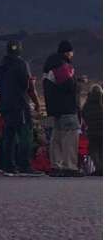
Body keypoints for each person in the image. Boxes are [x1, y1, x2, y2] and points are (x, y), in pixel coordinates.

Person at [0, 40, 42, 176]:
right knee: (25, 135)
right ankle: (24, 165)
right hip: (20, 105)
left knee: (9, 136)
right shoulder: (22, 64)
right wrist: (37, 103)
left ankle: (7, 165)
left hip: (5, 106)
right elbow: (29, 87)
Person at [42, 40, 81, 176]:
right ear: (66, 52)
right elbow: (68, 86)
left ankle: (56, 165)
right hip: (67, 108)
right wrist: (77, 83)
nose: (72, 54)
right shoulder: (62, 66)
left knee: (57, 137)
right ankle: (69, 166)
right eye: (71, 52)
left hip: (55, 108)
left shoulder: (50, 66)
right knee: (70, 137)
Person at [82, 85, 102, 176]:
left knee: (93, 150)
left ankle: (98, 167)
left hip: (92, 132)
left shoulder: (87, 105)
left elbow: (84, 117)